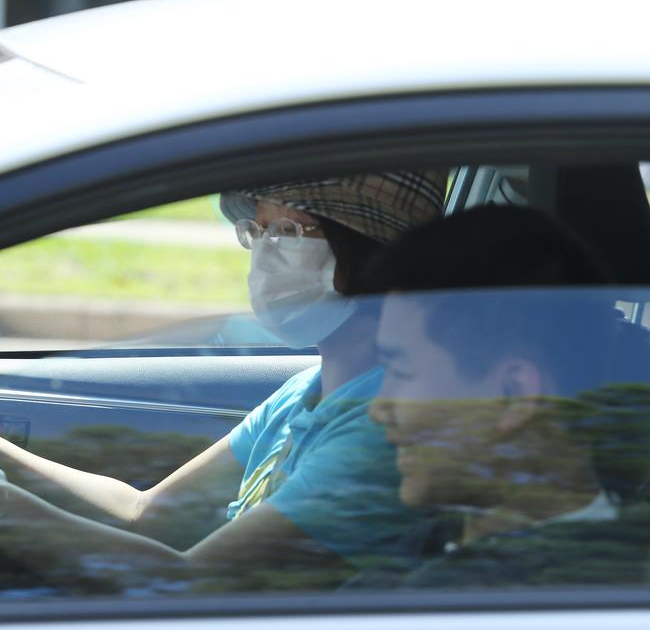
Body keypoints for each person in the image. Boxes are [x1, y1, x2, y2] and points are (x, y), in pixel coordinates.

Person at [0, 171, 446, 592]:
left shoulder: (382, 424)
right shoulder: (306, 390)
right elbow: (143, 512)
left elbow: (187, 585)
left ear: (371, 253)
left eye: (289, 231)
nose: (265, 252)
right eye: (259, 230)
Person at [359, 205, 650, 587]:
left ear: (514, 395)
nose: (378, 409)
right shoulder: (440, 540)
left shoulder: (479, 594)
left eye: (401, 372)